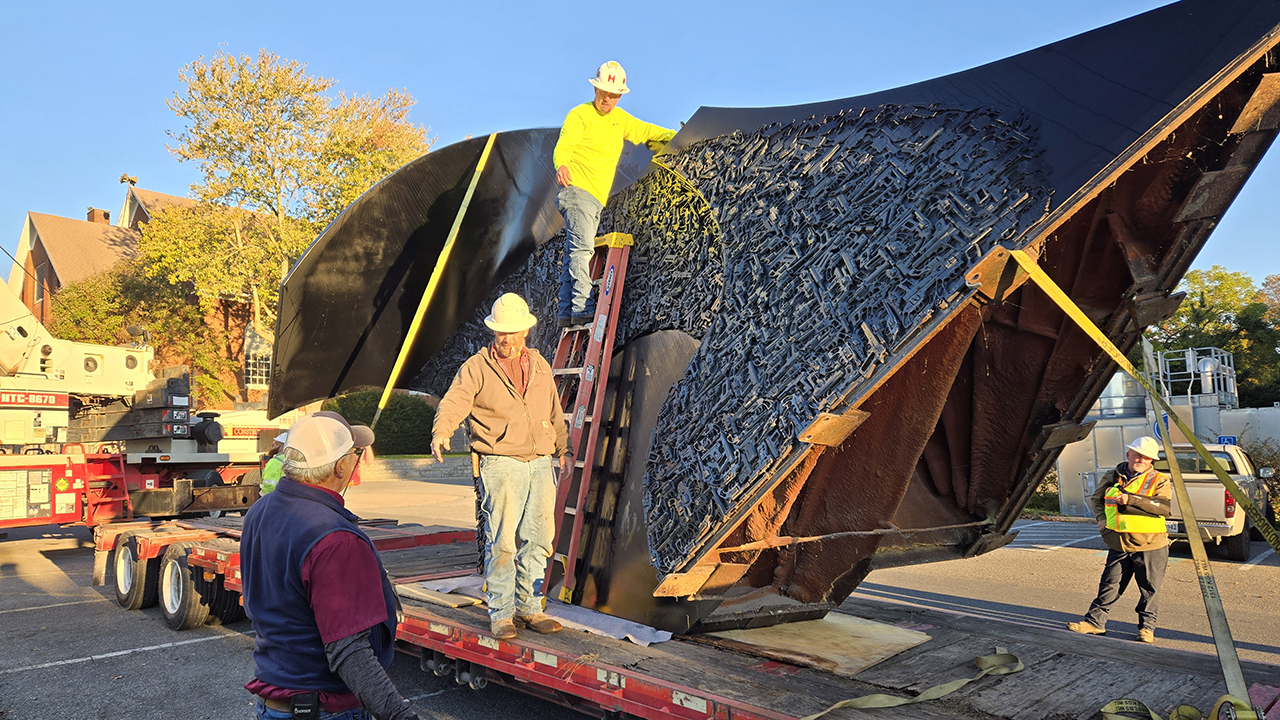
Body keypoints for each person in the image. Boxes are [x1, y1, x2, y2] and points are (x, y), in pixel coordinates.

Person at [240, 414, 422, 720]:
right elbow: (350, 652)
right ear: (340, 467)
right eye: (355, 454)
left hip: (275, 703)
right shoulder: (336, 539)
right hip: (324, 710)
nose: (357, 461)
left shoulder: (260, 511)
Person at [431, 293, 572, 640]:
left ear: (524, 330)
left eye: (511, 332)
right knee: (503, 543)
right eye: (500, 333)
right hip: (500, 463)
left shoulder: (539, 364)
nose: (505, 339)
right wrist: (441, 430)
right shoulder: (477, 367)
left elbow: (553, 410)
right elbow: (455, 401)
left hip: (540, 462)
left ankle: (529, 609)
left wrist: (562, 447)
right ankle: (502, 614)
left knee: (540, 540)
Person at [553, 60, 677, 327]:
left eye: (613, 95)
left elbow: (646, 132)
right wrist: (561, 163)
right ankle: (582, 305)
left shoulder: (620, 121)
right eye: (604, 93)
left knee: (573, 251)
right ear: (595, 90)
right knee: (582, 250)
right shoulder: (580, 115)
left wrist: (675, 136)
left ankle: (565, 311)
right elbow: (564, 144)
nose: (607, 99)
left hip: (595, 197)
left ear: (620, 96)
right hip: (578, 191)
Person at [1067, 436, 1172, 644]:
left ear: (1151, 461)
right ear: (1128, 455)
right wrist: (1101, 519)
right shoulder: (1112, 476)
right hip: (1119, 543)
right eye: (1137, 455)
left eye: (1146, 457)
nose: (1141, 459)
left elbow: (1164, 508)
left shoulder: (1159, 479)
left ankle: (1146, 629)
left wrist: (1130, 499)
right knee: (1109, 584)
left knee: (1149, 589)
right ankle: (1095, 623)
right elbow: (1096, 499)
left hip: (1150, 544)